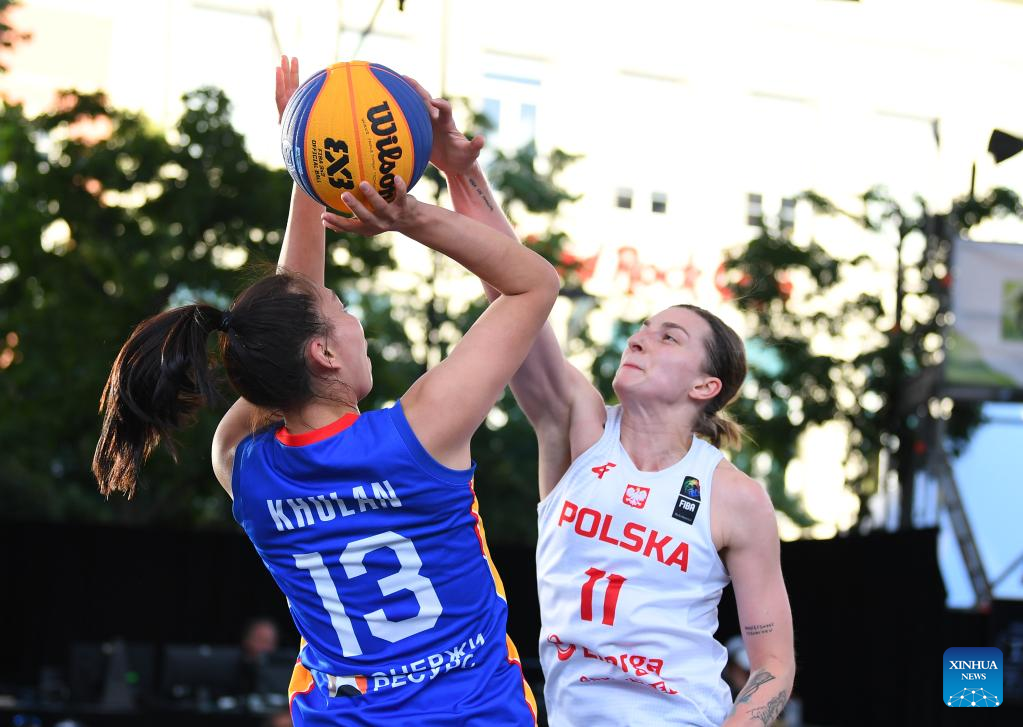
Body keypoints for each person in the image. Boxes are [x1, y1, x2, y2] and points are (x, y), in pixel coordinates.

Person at [92, 56, 559, 726]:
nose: (356, 322)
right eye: (344, 310)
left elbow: (287, 325)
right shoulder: (420, 433)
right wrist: (406, 214)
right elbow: (535, 283)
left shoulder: (241, 462)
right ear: (325, 353)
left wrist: (308, 163)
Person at [404, 81, 796, 726]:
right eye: (643, 328)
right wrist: (461, 173)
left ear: (706, 386)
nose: (640, 338)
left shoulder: (735, 497)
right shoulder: (578, 426)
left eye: (669, 337)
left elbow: (773, 666)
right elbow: (513, 288)